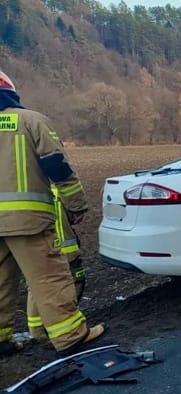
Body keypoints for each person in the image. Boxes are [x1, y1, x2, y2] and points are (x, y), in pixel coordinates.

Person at [0, 69, 105, 357]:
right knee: (50, 278)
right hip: (28, 221)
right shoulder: (31, 121)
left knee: (0, 283)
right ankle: (70, 336)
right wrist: (77, 206)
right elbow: (58, 167)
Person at [27, 186, 87, 341]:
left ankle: (38, 331)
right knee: (67, 284)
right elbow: (71, 217)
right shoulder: (54, 193)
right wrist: (78, 206)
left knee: (37, 284)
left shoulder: (31, 192)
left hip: (37, 245)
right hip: (61, 250)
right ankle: (67, 331)